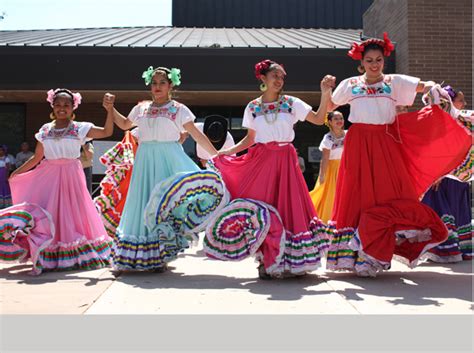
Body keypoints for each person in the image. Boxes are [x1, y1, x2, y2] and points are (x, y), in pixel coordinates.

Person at [323, 33, 471, 276]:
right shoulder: (350, 84)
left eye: (378, 60)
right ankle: (356, 255)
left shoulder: (394, 81)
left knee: (388, 194)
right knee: (356, 194)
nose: (374, 64)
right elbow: (330, 107)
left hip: (384, 142)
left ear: (384, 61)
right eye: (369, 60)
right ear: (361, 62)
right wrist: (325, 90)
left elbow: (424, 85)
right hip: (358, 143)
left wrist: (435, 88)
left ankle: (377, 251)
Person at [208, 59, 332, 279]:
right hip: (262, 160)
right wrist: (228, 153)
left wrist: (324, 93)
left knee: (289, 207)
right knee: (264, 207)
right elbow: (250, 139)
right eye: (275, 75)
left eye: (282, 76)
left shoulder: (292, 103)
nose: (279, 80)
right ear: (263, 78)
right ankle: (266, 260)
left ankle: (293, 262)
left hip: (285, 160)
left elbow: (318, 118)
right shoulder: (253, 107)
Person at [104, 66, 218, 273]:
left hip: (169, 160)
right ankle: (138, 255)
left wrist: (216, 155)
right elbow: (123, 124)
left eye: (162, 82)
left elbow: (196, 135)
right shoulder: (141, 108)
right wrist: (110, 108)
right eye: (154, 83)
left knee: (164, 205)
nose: (157, 87)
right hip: (145, 159)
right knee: (142, 203)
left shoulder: (179, 109)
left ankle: (160, 254)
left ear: (170, 85)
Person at [7, 88, 114, 272]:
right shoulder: (45, 130)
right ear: (52, 106)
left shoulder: (80, 128)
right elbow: (37, 157)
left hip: (71, 175)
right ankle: (50, 253)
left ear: (73, 107)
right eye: (58, 105)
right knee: (50, 212)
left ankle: (73, 254)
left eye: (66, 105)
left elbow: (106, 132)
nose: (62, 108)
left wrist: (110, 109)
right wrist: (17, 173)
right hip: (49, 175)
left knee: (73, 212)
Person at [421, 85, 472, 262]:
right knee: (442, 210)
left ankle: (453, 250)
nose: (464, 103)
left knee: (453, 210)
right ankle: (448, 249)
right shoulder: (443, 124)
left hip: (453, 176)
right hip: (444, 176)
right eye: (460, 100)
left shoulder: (461, 121)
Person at [309, 111, 346, 223]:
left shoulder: (349, 134)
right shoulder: (328, 138)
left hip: (346, 167)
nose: (339, 120)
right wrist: (322, 175)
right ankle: (331, 219)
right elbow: (325, 158)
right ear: (329, 122)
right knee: (331, 194)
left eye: (341, 118)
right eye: (336, 119)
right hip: (332, 169)